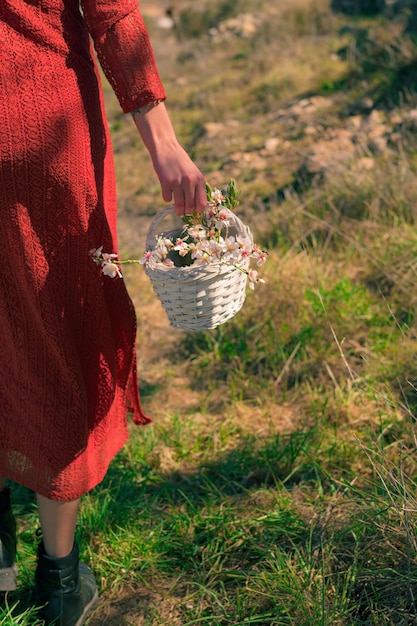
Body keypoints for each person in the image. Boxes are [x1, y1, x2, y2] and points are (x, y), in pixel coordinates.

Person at [0, 1, 206, 624]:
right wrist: (164, 143)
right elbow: (114, 18)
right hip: (45, 140)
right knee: (62, 338)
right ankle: (59, 579)